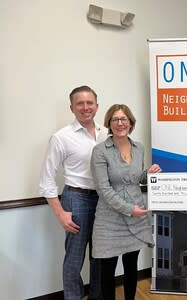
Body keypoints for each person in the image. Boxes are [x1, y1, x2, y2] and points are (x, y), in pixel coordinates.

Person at [40, 85, 108, 300]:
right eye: (80, 103)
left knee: (100, 257)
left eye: (90, 103)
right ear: (72, 108)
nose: (85, 107)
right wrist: (60, 212)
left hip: (104, 201)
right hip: (76, 199)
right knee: (74, 259)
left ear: (97, 106)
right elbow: (46, 178)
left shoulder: (107, 133)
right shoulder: (61, 137)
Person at [90, 104, 161, 300]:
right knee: (107, 270)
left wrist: (149, 174)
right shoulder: (100, 151)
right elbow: (103, 189)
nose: (120, 123)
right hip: (109, 219)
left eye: (124, 119)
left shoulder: (139, 147)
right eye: (115, 119)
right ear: (109, 124)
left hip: (136, 215)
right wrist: (130, 210)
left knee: (131, 266)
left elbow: (135, 178)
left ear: (130, 122)